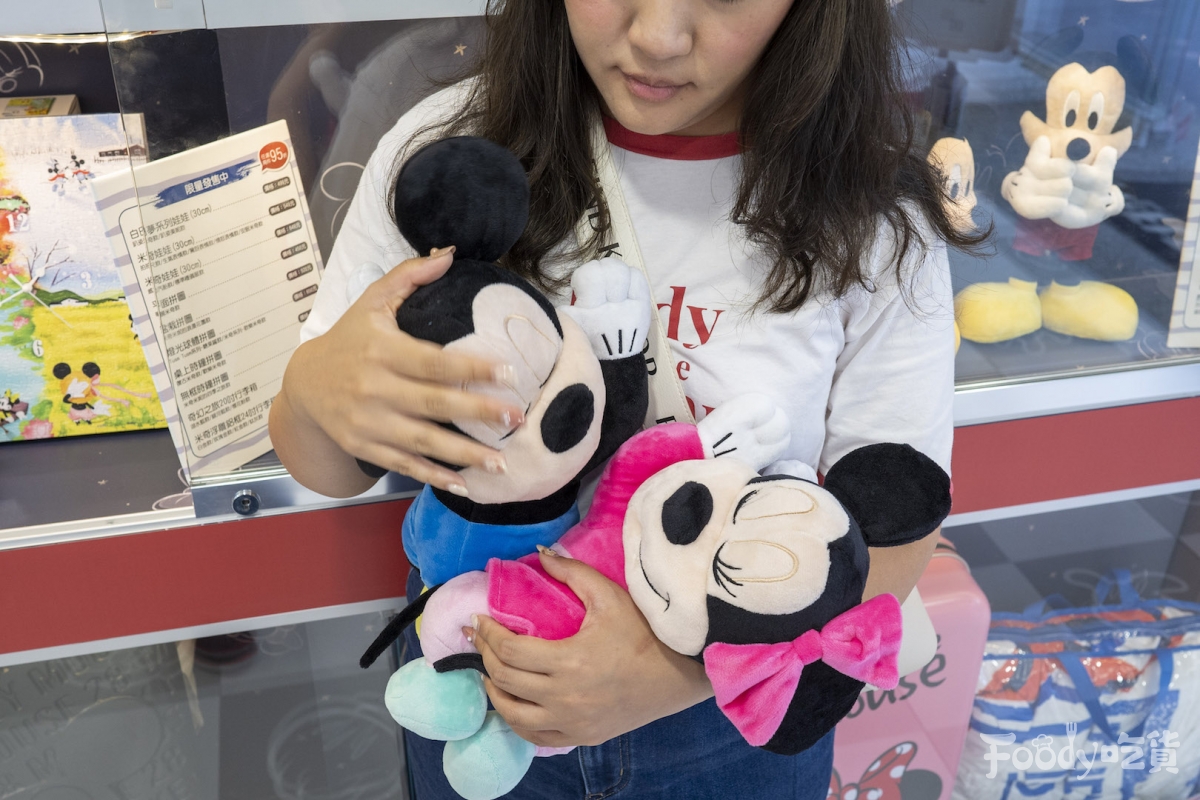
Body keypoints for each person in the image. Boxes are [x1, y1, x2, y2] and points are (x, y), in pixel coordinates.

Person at [269, 0, 986, 797]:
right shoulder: (452, 149)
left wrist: (675, 674)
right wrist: (314, 387)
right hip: (475, 677)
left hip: (728, 720)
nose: (658, 38)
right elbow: (329, 467)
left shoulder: (874, 215)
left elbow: (895, 527)